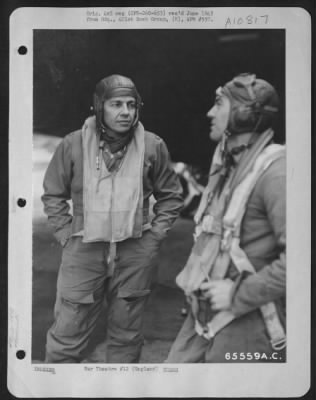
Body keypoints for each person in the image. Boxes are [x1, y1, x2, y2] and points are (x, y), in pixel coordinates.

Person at [42, 74, 183, 363]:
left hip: (134, 251)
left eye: (131, 105)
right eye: (116, 104)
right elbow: (53, 195)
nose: (125, 112)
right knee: (67, 335)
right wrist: (66, 234)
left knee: (126, 336)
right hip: (84, 249)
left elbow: (171, 196)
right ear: (99, 106)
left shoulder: (153, 146)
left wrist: (154, 237)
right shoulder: (73, 145)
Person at [166, 73, 286, 363]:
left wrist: (238, 294)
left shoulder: (276, 173)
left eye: (218, 104)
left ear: (244, 114)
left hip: (247, 321)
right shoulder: (229, 165)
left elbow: (303, 261)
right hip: (204, 316)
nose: (210, 112)